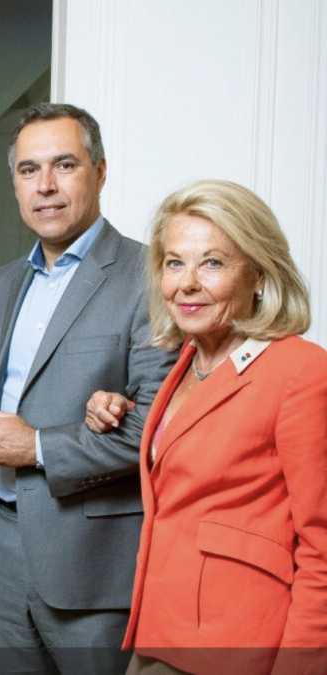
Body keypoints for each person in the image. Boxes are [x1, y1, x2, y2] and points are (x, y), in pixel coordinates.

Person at [0, 102, 175, 675]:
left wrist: (34, 446)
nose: (45, 186)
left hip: (92, 558)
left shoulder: (150, 277)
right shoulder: (3, 282)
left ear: (100, 172)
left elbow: (155, 430)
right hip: (1, 541)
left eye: (64, 165)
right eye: (28, 169)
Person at [84, 180, 327, 675]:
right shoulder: (186, 360)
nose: (187, 283)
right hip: (157, 629)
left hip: (235, 644)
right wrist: (119, 411)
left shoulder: (301, 372)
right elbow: (193, 456)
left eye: (212, 263)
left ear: (259, 273)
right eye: (175, 263)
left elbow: (322, 547)